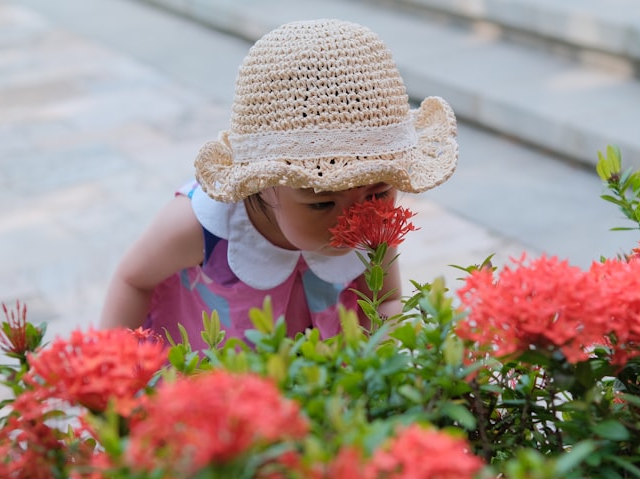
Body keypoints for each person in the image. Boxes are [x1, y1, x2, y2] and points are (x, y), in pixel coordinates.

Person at [99, 18, 459, 346]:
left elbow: (387, 302)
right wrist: (113, 375)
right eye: (321, 202)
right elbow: (133, 280)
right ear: (263, 183)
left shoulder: (374, 228)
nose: (354, 222)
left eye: (379, 191)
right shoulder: (201, 226)